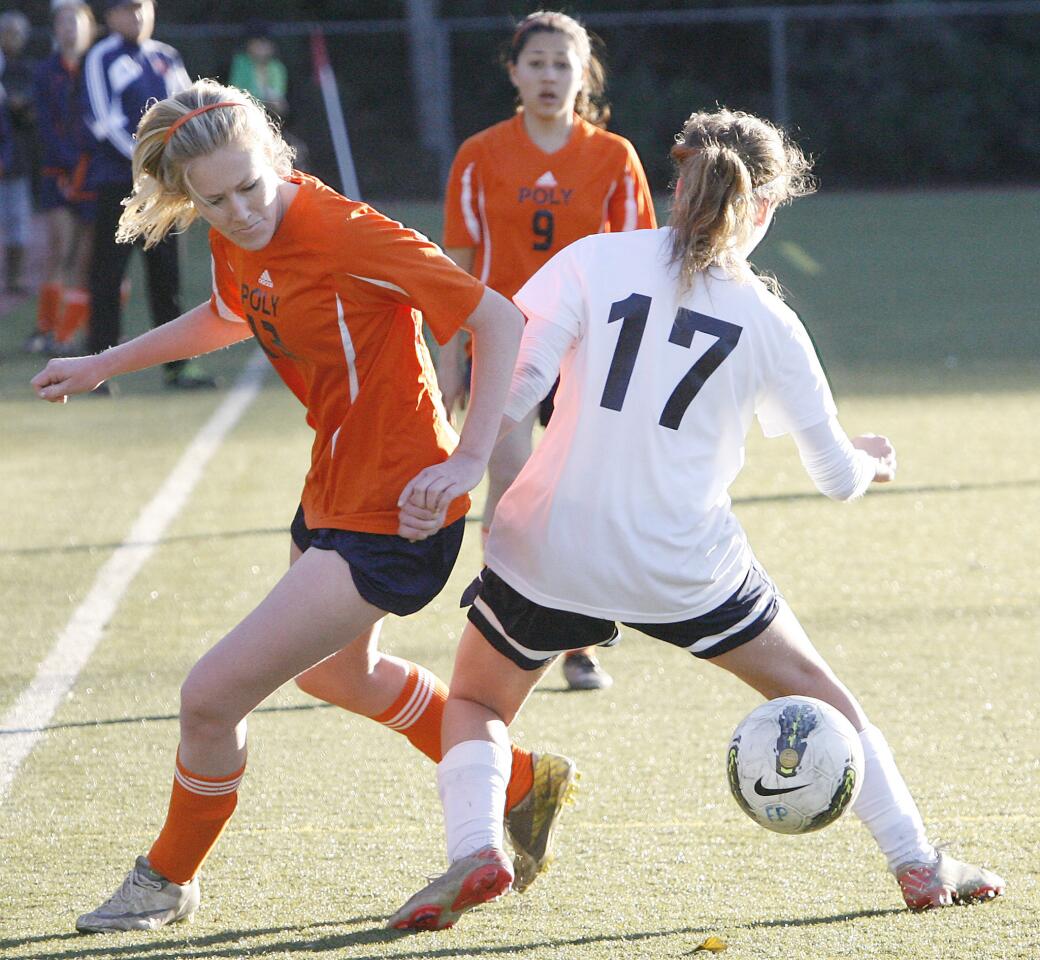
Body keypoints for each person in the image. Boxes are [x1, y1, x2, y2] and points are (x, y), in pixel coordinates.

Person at [388, 107, 1006, 931]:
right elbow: (835, 479)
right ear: (766, 207)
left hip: (552, 543)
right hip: (684, 564)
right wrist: (872, 461)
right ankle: (920, 864)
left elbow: (516, 388)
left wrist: (463, 465)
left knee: (478, 706)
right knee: (828, 702)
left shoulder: (593, 261)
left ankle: (478, 850)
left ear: (677, 181)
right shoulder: (771, 321)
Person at [31, 79, 575, 933]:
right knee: (336, 674)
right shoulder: (233, 236)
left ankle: (166, 881)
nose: (240, 210)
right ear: (189, 197)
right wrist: (104, 363)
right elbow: (225, 315)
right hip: (332, 488)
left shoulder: (343, 231)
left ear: (277, 158)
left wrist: (472, 455)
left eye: (251, 186)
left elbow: (497, 318)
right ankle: (518, 781)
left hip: (397, 508)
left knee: (210, 697)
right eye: (214, 200)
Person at [439, 10, 657, 692]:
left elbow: (642, 266)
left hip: (588, 349)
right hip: (507, 342)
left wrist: (638, 360)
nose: (549, 76)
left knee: (580, 492)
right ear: (513, 70)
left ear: (582, 74)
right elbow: (458, 265)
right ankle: (505, 626)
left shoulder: (614, 157)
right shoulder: (480, 153)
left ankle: (579, 641)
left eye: (563, 64)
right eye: (536, 62)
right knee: (508, 489)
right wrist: (449, 361)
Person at [82, 0, 213, 389]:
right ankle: (95, 368)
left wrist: (179, 167)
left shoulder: (167, 57)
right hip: (118, 187)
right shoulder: (100, 58)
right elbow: (102, 121)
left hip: (165, 188)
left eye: (142, 6)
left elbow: (190, 111)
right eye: (126, 9)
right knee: (108, 275)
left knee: (167, 276)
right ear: (109, 17)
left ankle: (178, 366)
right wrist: (149, 163)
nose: (136, 16)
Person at [24, 0, 97, 355]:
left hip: (94, 173)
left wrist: (88, 159)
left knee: (87, 256)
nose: (70, 28)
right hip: (59, 173)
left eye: (77, 21)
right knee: (60, 251)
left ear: (89, 27)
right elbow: (45, 127)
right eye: (64, 22)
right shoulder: (45, 71)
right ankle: (45, 329)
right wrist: (67, 162)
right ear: (55, 29)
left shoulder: (96, 67)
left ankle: (71, 333)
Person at [0, 9, 36, 295]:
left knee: (18, 227)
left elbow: (29, 111)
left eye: (18, 32)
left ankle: (13, 279)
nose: (13, 38)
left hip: (15, 163)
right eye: (8, 31)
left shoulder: (26, 71)